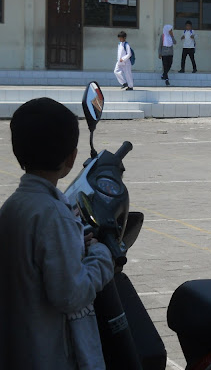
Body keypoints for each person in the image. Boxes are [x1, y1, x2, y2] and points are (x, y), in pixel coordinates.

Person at [0, 98, 114, 369]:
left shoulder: (13, 207)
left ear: (18, 153)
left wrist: (77, 246)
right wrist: (101, 256)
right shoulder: (54, 215)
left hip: (19, 346)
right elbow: (71, 294)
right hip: (49, 354)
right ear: (72, 158)